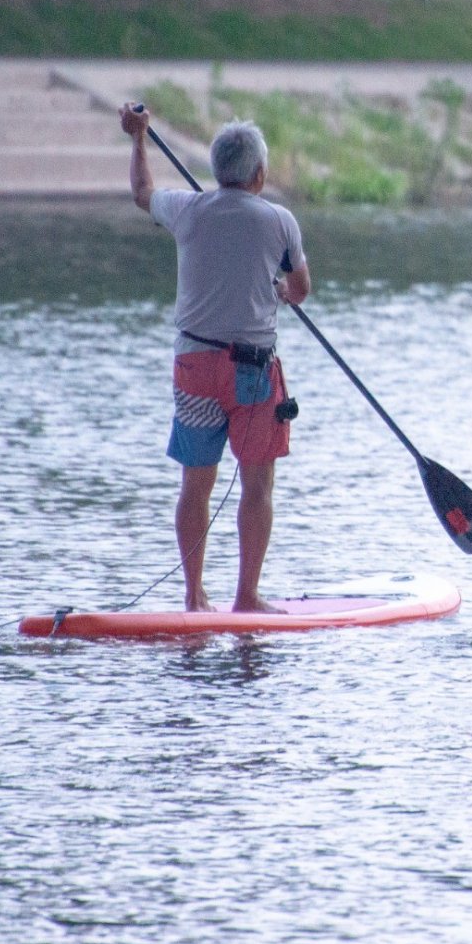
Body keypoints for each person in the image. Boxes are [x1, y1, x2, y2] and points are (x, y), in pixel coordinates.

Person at [120, 106, 311, 613]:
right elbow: (300, 289)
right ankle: (246, 596)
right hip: (253, 373)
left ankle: (194, 596)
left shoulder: (186, 209)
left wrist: (139, 139)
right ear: (260, 174)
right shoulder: (280, 221)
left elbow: (141, 192)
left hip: (195, 369)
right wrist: (278, 289)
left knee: (195, 483)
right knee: (257, 485)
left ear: (217, 170)